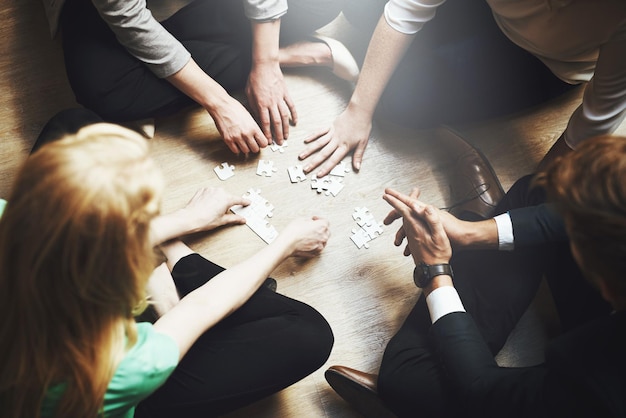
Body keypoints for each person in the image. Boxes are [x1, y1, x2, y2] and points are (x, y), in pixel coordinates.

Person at [0, 114, 334, 417]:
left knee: (74, 126)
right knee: (310, 334)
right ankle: (179, 265)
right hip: (122, 400)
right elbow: (203, 305)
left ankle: (172, 268)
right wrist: (287, 241)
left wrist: (189, 218)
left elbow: (77, 245)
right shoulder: (123, 366)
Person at [323, 128, 625, 417]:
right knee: (539, 193)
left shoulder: (598, 392)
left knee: (407, 379)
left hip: (577, 400)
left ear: (607, 289)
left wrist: (435, 272)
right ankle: (477, 223)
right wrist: (472, 233)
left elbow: (483, 391)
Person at [299, 0, 626, 177]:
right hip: (490, 9)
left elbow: (587, 129)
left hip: (547, 62)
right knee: (361, 8)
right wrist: (358, 111)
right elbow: (407, 7)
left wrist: (507, 223)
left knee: (400, 101)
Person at [40, 0, 359, 153]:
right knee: (102, 92)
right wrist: (221, 103)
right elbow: (130, 21)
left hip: (193, 7)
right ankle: (294, 51)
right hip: (100, 11)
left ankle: (159, 82)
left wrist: (266, 62)